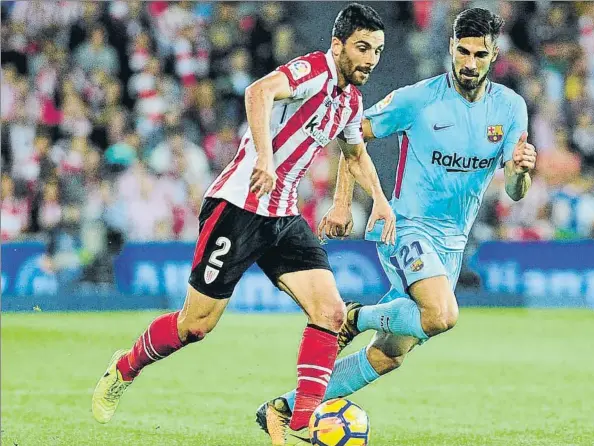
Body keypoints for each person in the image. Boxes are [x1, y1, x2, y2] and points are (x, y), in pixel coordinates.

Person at [92, 4, 396, 445]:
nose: (371, 59)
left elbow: (355, 155)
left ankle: (302, 423)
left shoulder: (350, 99)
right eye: (363, 48)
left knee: (330, 311)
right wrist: (266, 159)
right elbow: (258, 92)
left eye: (378, 51)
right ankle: (126, 366)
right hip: (237, 206)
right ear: (338, 45)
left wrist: (381, 202)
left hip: (283, 215)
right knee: (195, 326)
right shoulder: (312, 69)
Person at [258, 7, 537, 432]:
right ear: (450, 48)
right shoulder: (417, 99)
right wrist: (341, 203)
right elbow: (352, 134)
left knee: (389, 355)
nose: (469, 63)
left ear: (494, 55)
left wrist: (519, 172)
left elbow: (516, 192)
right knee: (442, 315)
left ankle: (284, 408)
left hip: (451, 244)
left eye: (479, 56)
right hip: (404, 227)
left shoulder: (511, 109)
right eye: (462, 52)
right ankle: (358, 317)